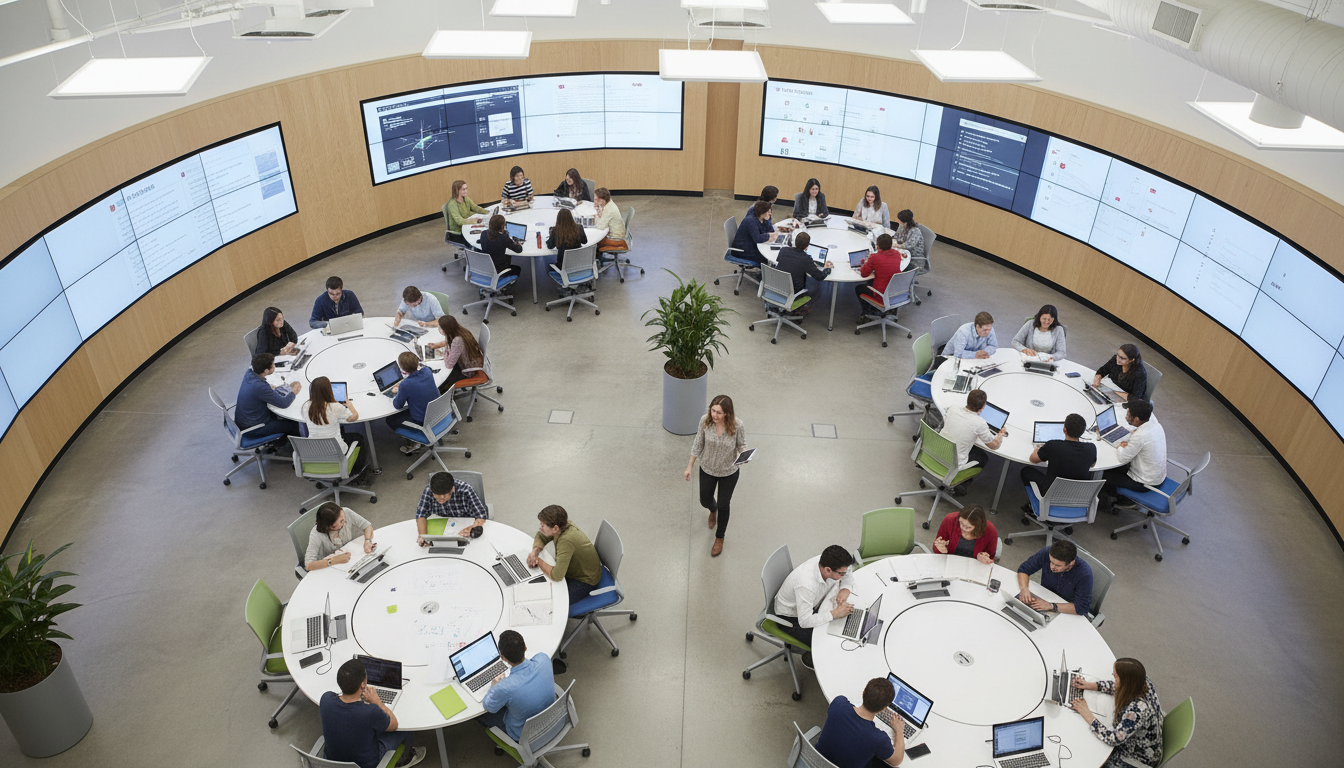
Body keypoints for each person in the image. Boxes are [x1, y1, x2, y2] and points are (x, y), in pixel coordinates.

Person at [320, 658, 425, 768]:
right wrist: (377, 701)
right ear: (362, 685)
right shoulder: (369, 711)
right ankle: (407, 760)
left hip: (333, 761)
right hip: (368, 764)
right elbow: (394, 724)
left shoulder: (325, 699)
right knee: (406, 729)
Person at [683, 394, 747, 557]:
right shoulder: (705, 421)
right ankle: (713, 509)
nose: (714, 415)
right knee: (705, 499)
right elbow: (698, 443)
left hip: (729, 472)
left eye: (718, 412)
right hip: (707, 469)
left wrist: (744, 454)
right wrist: (689, 466)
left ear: (727, 413)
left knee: (725, 505)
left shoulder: (737, 425)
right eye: (713, 410)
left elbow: (741, 444)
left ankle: (720, 537)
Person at [1070, 658, 1164, 768]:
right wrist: (1090, 685)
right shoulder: (1142, 681)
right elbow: (1121, 686)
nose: (1114, 679)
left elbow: (1113, 738)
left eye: (1115, 677)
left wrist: (1087, 713)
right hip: (1145, 741)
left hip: (1139, 757)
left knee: (1090, 760)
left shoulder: (1137, 711)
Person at [774, 545, 855, 669]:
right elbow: (805, 621)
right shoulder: (807, 585)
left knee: (839, 627)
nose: (844, 575)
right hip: (790, 619)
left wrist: (845, 588)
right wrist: (834, 614)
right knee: (830, 642)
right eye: (841, 574)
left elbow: (848, 572)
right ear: (828, 570)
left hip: (811, 605)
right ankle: (815, 660)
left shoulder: (827, 562)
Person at [479, 630, 556, 742]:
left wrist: (494, 686)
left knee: (481, 715)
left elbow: (488, 706)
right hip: (550, 718)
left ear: (502, 656)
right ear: (525, 647)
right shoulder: (544, 659)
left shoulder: (505, 687)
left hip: (524, 735)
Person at [814, 677, 905, 768]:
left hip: (816, 760)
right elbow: (896, 760)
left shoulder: (839, 703)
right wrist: (899, 730)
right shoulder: (878, 739)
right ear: (884, 708)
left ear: (863, 693)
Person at [1020, 412, 1096, 513]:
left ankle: (1033, 504)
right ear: (1082, 432)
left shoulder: (1053, 446)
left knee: (1026, 471)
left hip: (1050, 493)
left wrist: (1037, 450)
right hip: (1076, 496)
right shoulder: (1091, 448)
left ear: (1064, 429)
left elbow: (1033, 459)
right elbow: (1092, 464)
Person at [527, 505, 602, 604]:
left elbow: (557, 575)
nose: (540, 528)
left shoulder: (566, 541)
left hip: (585, 580)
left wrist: (538, 561)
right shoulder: (564, 524)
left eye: (543, 526)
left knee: (551, 602)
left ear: (555, 528)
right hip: (579, 570)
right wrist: (535, 551)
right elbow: (542, 535)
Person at [302, 376, 370, 484]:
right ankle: (355, 473)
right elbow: (354, 417)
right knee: (358, 438)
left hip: (315, 452)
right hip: (335, 451)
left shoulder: (306, 406)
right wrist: (349, 405)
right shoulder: (335, 406)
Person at [1101, 399, 1166, 510]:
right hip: (1157, 476)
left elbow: (1122, 457)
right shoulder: (1155, 424)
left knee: (1103, 475)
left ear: (1136, 419)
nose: (1126, 417)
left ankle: (1117, 500)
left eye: (1128, 415)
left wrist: (1121, 446)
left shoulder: (1140, 436)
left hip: (1143, 483)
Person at [939, 389, 1007, 490]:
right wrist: (1001, 434)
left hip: (936, 452)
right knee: (982, 457)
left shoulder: (953, 409)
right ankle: (959, 486)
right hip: (953, 464)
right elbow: (994, 445)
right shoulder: (980, 423)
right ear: (984, 406)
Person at [1016, 539, 1093, 616]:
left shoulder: (1084, 574)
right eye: (1051, 562)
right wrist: (1024, 589)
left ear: (1071, 563)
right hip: (1045, 595)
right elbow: (1024, 570)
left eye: (1057, 565)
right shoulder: (1047, 552)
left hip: (1066, 608)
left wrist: (1051, 606)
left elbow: (1081, 608)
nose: (1052, 567)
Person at [235, 352, 303, 438]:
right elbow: (284, 403)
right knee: (295, 425)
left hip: (245, 421)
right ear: (266, 371)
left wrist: (269, 389)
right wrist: (293, 392)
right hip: (254, 428)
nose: (274, 366)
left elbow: (259, 390)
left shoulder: (249, 373)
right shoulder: (260, 387)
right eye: (273, 365)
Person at [414, 471, 488, 545]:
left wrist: (471, 528)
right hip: (443, 527)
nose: (441, 498)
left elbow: (481, 514)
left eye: (445, 494)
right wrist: (423, 536)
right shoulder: (428, 490)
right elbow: (421, 514)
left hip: (464, 525)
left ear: (452, 489)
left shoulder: (466, 490)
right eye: (437, 495)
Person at [385, 351, 437, 451]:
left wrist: (399, 390)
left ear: (402, 369)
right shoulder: (427, 371)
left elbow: (397, 405)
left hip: (422, 419)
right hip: (436, 412)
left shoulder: (406, 385)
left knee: (391, 420)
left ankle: (414, 442)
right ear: (417, 362)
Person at [304, 502, 375, 571]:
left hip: (350, 558)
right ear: (331, 526)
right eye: (341, 521)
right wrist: (333, 560)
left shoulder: (345, 512)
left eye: (344, 517)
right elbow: (309, 565)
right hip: (329, 567)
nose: (345, 521)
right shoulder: (316, 534)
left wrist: (367, 540)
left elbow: (367, 525)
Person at [774, 231, 832, 314]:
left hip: (776, 287)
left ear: (795, 242)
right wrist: (828, 269)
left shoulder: (783, 250)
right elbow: (820, 277)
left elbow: (782, 262)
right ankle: (802, 309)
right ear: (807, 246)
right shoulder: (806, 259)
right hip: (792, 293)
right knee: (818, 289)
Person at [425, 315, 485, 394]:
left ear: (447, 329)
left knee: (441, 382)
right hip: (469, 362)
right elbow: (449, 344)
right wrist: (439, 345)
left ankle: (438, 399)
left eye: (441, 328)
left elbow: (449, 364)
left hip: (467, 370)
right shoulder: (460, 331)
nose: (440, 330)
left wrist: (445, 354)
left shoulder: (457, 341)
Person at [932, 505, 997, 563]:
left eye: (969, 527)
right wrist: (940, 549)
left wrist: (984, 559)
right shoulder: (950, 519)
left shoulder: (990, 530)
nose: (963, 529)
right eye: (961, 523)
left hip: (973, 565)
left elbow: (991, 557)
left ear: (978, 527)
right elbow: (936, 545)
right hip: (950, 561)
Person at [855, 233, 904, 305]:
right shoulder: (897, 254)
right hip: (895, 290)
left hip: (881, 293)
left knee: (859, 288)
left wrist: (867, 262)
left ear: (877, 246)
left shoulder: (874, 257)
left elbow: (864, 274)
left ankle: (871, 312)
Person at [477, 214, 523, 280]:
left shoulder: (484, 233)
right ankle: (504, 286)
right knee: (517, 269)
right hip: (499, 269)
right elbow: (519, 250)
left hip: (486, 266)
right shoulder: (503, 238)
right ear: (502, 227)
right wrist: (513, 241)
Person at [445, 179, 488, 246]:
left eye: (466, 189)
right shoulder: (452, 204)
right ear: (457, 190)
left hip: (467, 226)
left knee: (485, 228)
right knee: (482, 234)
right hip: (458, 232)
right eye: (463, 189)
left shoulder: (465, 198)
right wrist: (475, 221)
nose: (466, 191)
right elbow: (459, 221)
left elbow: (475, 208)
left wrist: (488, 213)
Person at [733, 200, 775, 265]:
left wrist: (768, 220)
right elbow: (758, 239)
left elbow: (768, 230)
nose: (770, 214)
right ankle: (763, 273)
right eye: (768, 212)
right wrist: (769, 235)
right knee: (766, 257)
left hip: (749, 244)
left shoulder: (759, 218)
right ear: (763, 213)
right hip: (742, 250)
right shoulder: (751, 221)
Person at [593, 188, 627, 253]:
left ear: (602, 201)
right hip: (617, 234)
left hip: (616, 239)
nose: (594, 199)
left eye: (596, 199)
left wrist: (591, 221)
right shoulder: (609, 203)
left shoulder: (608, 209)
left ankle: (596, 259)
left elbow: (600, 227)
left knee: (594, 241)